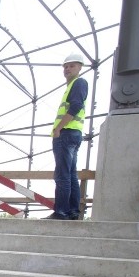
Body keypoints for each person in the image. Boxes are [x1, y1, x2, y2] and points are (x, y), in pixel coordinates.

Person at [46, 52, 88, 220]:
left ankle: (61, 211)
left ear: (79, 67)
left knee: (63, 175)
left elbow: (76, 106)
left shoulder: (78, 83)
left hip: (67, 133)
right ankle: (72, 211)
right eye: (65, 66)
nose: (67, 69)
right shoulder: (74, 85)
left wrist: (58, 129)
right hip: (73, 133)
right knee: (70, 174)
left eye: (71, 66)